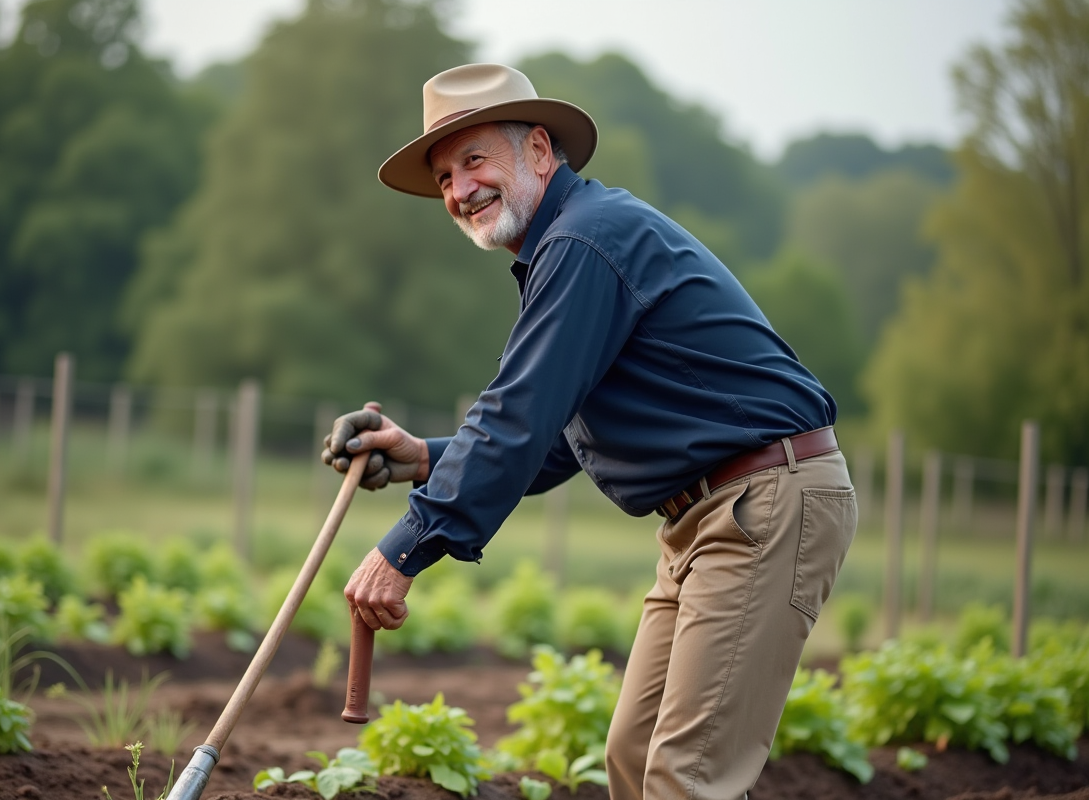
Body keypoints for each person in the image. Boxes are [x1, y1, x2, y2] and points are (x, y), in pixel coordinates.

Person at [322, 63, 857, 800]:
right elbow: (558, 440)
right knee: (635, 762)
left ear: (539, 151)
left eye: (474, 160)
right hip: (707, 515)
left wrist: (406, 546)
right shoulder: (571, 246)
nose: (458, 190)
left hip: (764, 502)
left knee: (685, 778)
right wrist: (422, 457)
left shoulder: (583, 242)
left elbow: (516, 414)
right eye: (445, 177)